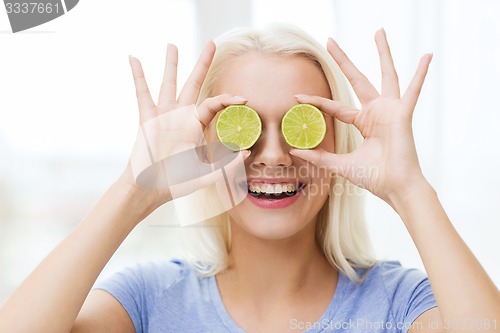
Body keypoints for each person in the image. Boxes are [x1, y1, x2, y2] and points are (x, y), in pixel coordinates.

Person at [0, 24, 498, 333]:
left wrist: (410, 190)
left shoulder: (397, 304)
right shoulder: (148, 300)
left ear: (339, 143)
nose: (275, 156)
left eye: (302, 126)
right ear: (201, 147)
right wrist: (136, 189)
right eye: (243, 129)